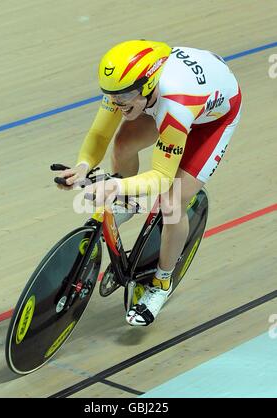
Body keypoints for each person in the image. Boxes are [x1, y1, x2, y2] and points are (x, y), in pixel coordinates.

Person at [56, 40, 242, 326]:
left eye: (126, 96)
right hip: (180, 96)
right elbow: (100, 134)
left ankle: (161, 283)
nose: (118, 103)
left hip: (212, 119)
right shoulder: (124, 90)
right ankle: (131, 204)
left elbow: (162, 176)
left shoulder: (175, 105)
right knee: (122, 145)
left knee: (171, 201)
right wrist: (83, 167)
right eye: (112, 96)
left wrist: (114, 186)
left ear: (147, 84)